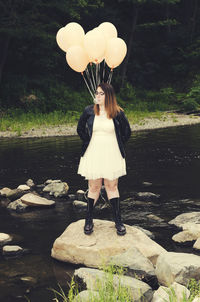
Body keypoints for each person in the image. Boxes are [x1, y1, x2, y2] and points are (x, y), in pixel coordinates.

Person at [77, 82, 131, 236]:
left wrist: (117, 143)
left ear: (109, 96)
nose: (98, 96)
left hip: (112, 153)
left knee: (112, 186)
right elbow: (80, 129)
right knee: (94, 186)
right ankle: (88, 220)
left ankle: (118, 222)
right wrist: (88, 141)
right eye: (97, 93)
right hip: (93, 152)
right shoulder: (89, 111)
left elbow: (127, 131)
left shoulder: (117, 112)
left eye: (101, 93)